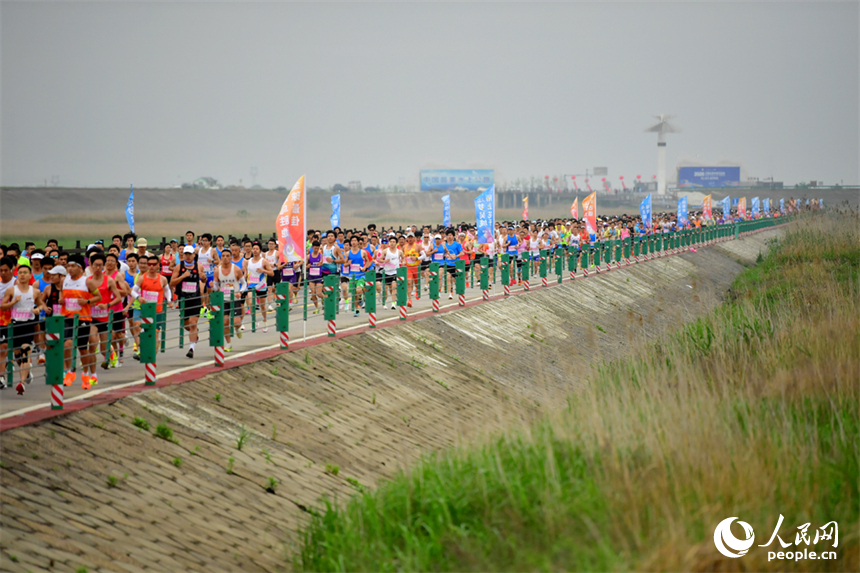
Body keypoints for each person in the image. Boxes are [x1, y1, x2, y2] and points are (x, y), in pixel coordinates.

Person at [0, 263, 43, 393]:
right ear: (17, 275)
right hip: (14, 325)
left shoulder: (35, 291)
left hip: (27, 325)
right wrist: (14, 302)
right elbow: (3, 307)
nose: (22, 275)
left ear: (30, 275)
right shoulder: (12, 290)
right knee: (18, 355)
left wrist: (37, 309)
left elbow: (41, 304)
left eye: (25, 272)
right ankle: (27, 373)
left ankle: (21, 383)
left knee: (25, 352)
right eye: (20, 273)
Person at [61, 254, 102, 390]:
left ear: (80, 268)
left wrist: (87, 302)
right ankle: (68, 371)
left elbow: (98, 296)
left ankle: (85, 374)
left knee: (83, 349)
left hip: (83, 318)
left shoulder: (87, 282)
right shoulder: (65, 280)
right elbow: (64, 295)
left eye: (73, 266)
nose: (70, 269)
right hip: (67, 317)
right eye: (68, 266)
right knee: (67, 343)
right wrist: (62, 301)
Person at [88, 253, 122, 378]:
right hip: (92, 317)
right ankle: (92, 373)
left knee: (103, 348)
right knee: (92, 343)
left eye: (100, 265)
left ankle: (112, 356)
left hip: (105, 317)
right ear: (91, 265)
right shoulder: (88, 281)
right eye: (95, 265)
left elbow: (118, 298)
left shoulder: (109, 280)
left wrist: (107, 305)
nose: (98, 268)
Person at [170, 246, 207, 358]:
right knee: (186, 326)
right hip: (183, 298)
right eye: (186, 254)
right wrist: (183, 276)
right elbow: (172, 282)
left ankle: (191, 348)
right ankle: (195, 333)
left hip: (195, 298)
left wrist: (204, 278)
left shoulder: (198, 266)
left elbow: (203, 279)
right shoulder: (179, 266)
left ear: (194, 255)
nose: (188, 256)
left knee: (193, 322)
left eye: (190, 254)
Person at [213, 250, 245, 351]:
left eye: (227, 256)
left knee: (236, 322)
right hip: (224, 299)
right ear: (221, 258)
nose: (225, 258)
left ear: (231, 257)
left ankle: (237, 329)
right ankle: (228, 343)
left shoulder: (236, 269)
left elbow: (244, 283)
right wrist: (212, 286)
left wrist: (240, 292)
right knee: (225, 322)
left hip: (234, 298)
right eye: (223, 256)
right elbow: (215, 287)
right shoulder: (217, 271)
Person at [245, 241, 274, 331]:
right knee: (250, 303)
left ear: (260, 250)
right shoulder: (248, 261)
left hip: (261, 286)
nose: (255, 250)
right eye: (254, 249)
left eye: (257, 249)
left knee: (262, 306)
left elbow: (272, 273)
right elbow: (246, 273)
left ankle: (265, 321)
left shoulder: (264, 261)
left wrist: (263, 271)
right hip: (251, 285)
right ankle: (254, 321)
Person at [442, 230, 463, 299]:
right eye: (448, 235)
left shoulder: (457, 244)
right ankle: (450, 293)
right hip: (448, 264)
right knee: (448, 277)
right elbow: (443, 253)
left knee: (456, 279)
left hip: (456, 264)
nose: (449, 237)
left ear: (453, 236)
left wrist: (455, 256)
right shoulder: (445, 245)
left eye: (451, 235)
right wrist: (445, 255)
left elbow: (462, 253)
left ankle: (460, 292)